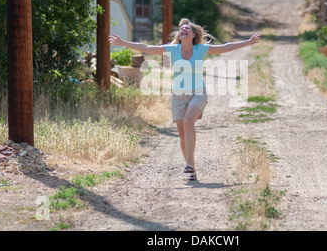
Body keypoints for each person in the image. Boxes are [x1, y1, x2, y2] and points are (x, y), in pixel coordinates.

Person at [109, 18, 260, 181]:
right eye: (181, 29)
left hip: (198, 93)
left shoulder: (201, 49)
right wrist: (122, 42)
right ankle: (191, 168)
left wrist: (248, 42)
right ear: (180, 35)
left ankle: (189, 164)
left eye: (187, 29)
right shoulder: (173, 49)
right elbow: (147, 47)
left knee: (188, 122)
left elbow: (224, 47)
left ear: (194, 34)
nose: (183, 30)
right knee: (182, 134)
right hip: (178, 95)